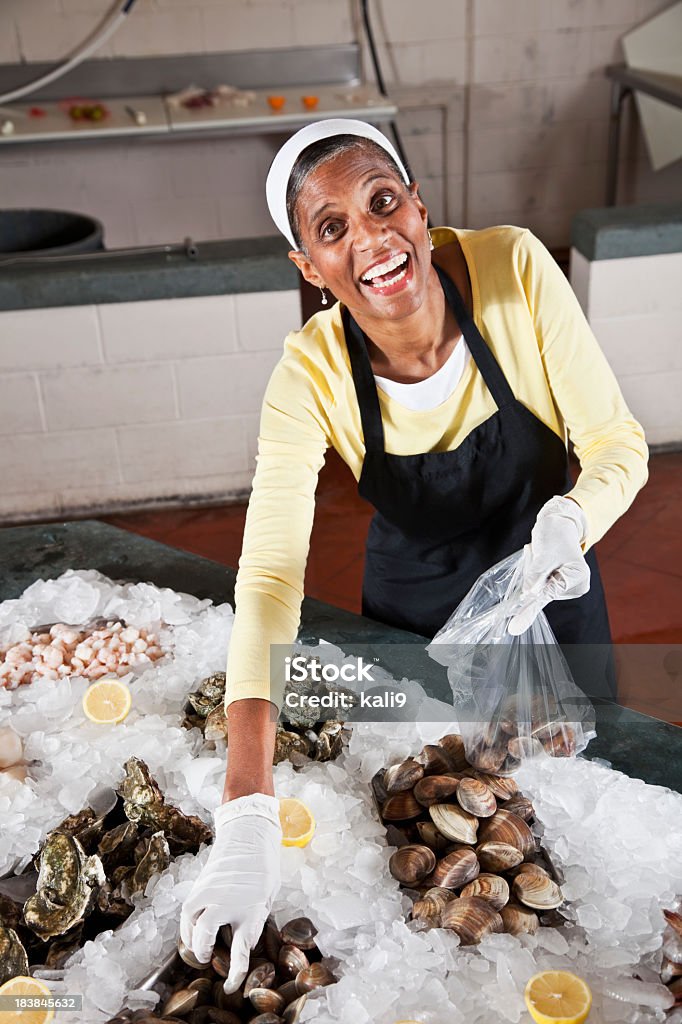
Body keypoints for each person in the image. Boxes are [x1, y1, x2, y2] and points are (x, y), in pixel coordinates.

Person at [180, 119, 648, 988]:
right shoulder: (309, 375)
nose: (371, 239)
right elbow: (271, 576)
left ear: (419, 205)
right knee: (434, 820)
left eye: (382, 201)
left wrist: (571, 523)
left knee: (577, 819)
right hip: (413, 605)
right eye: (331, 230)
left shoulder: (511, 268)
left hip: (547, 583)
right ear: (309, 268)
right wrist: (246, 806)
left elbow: (619, 443)